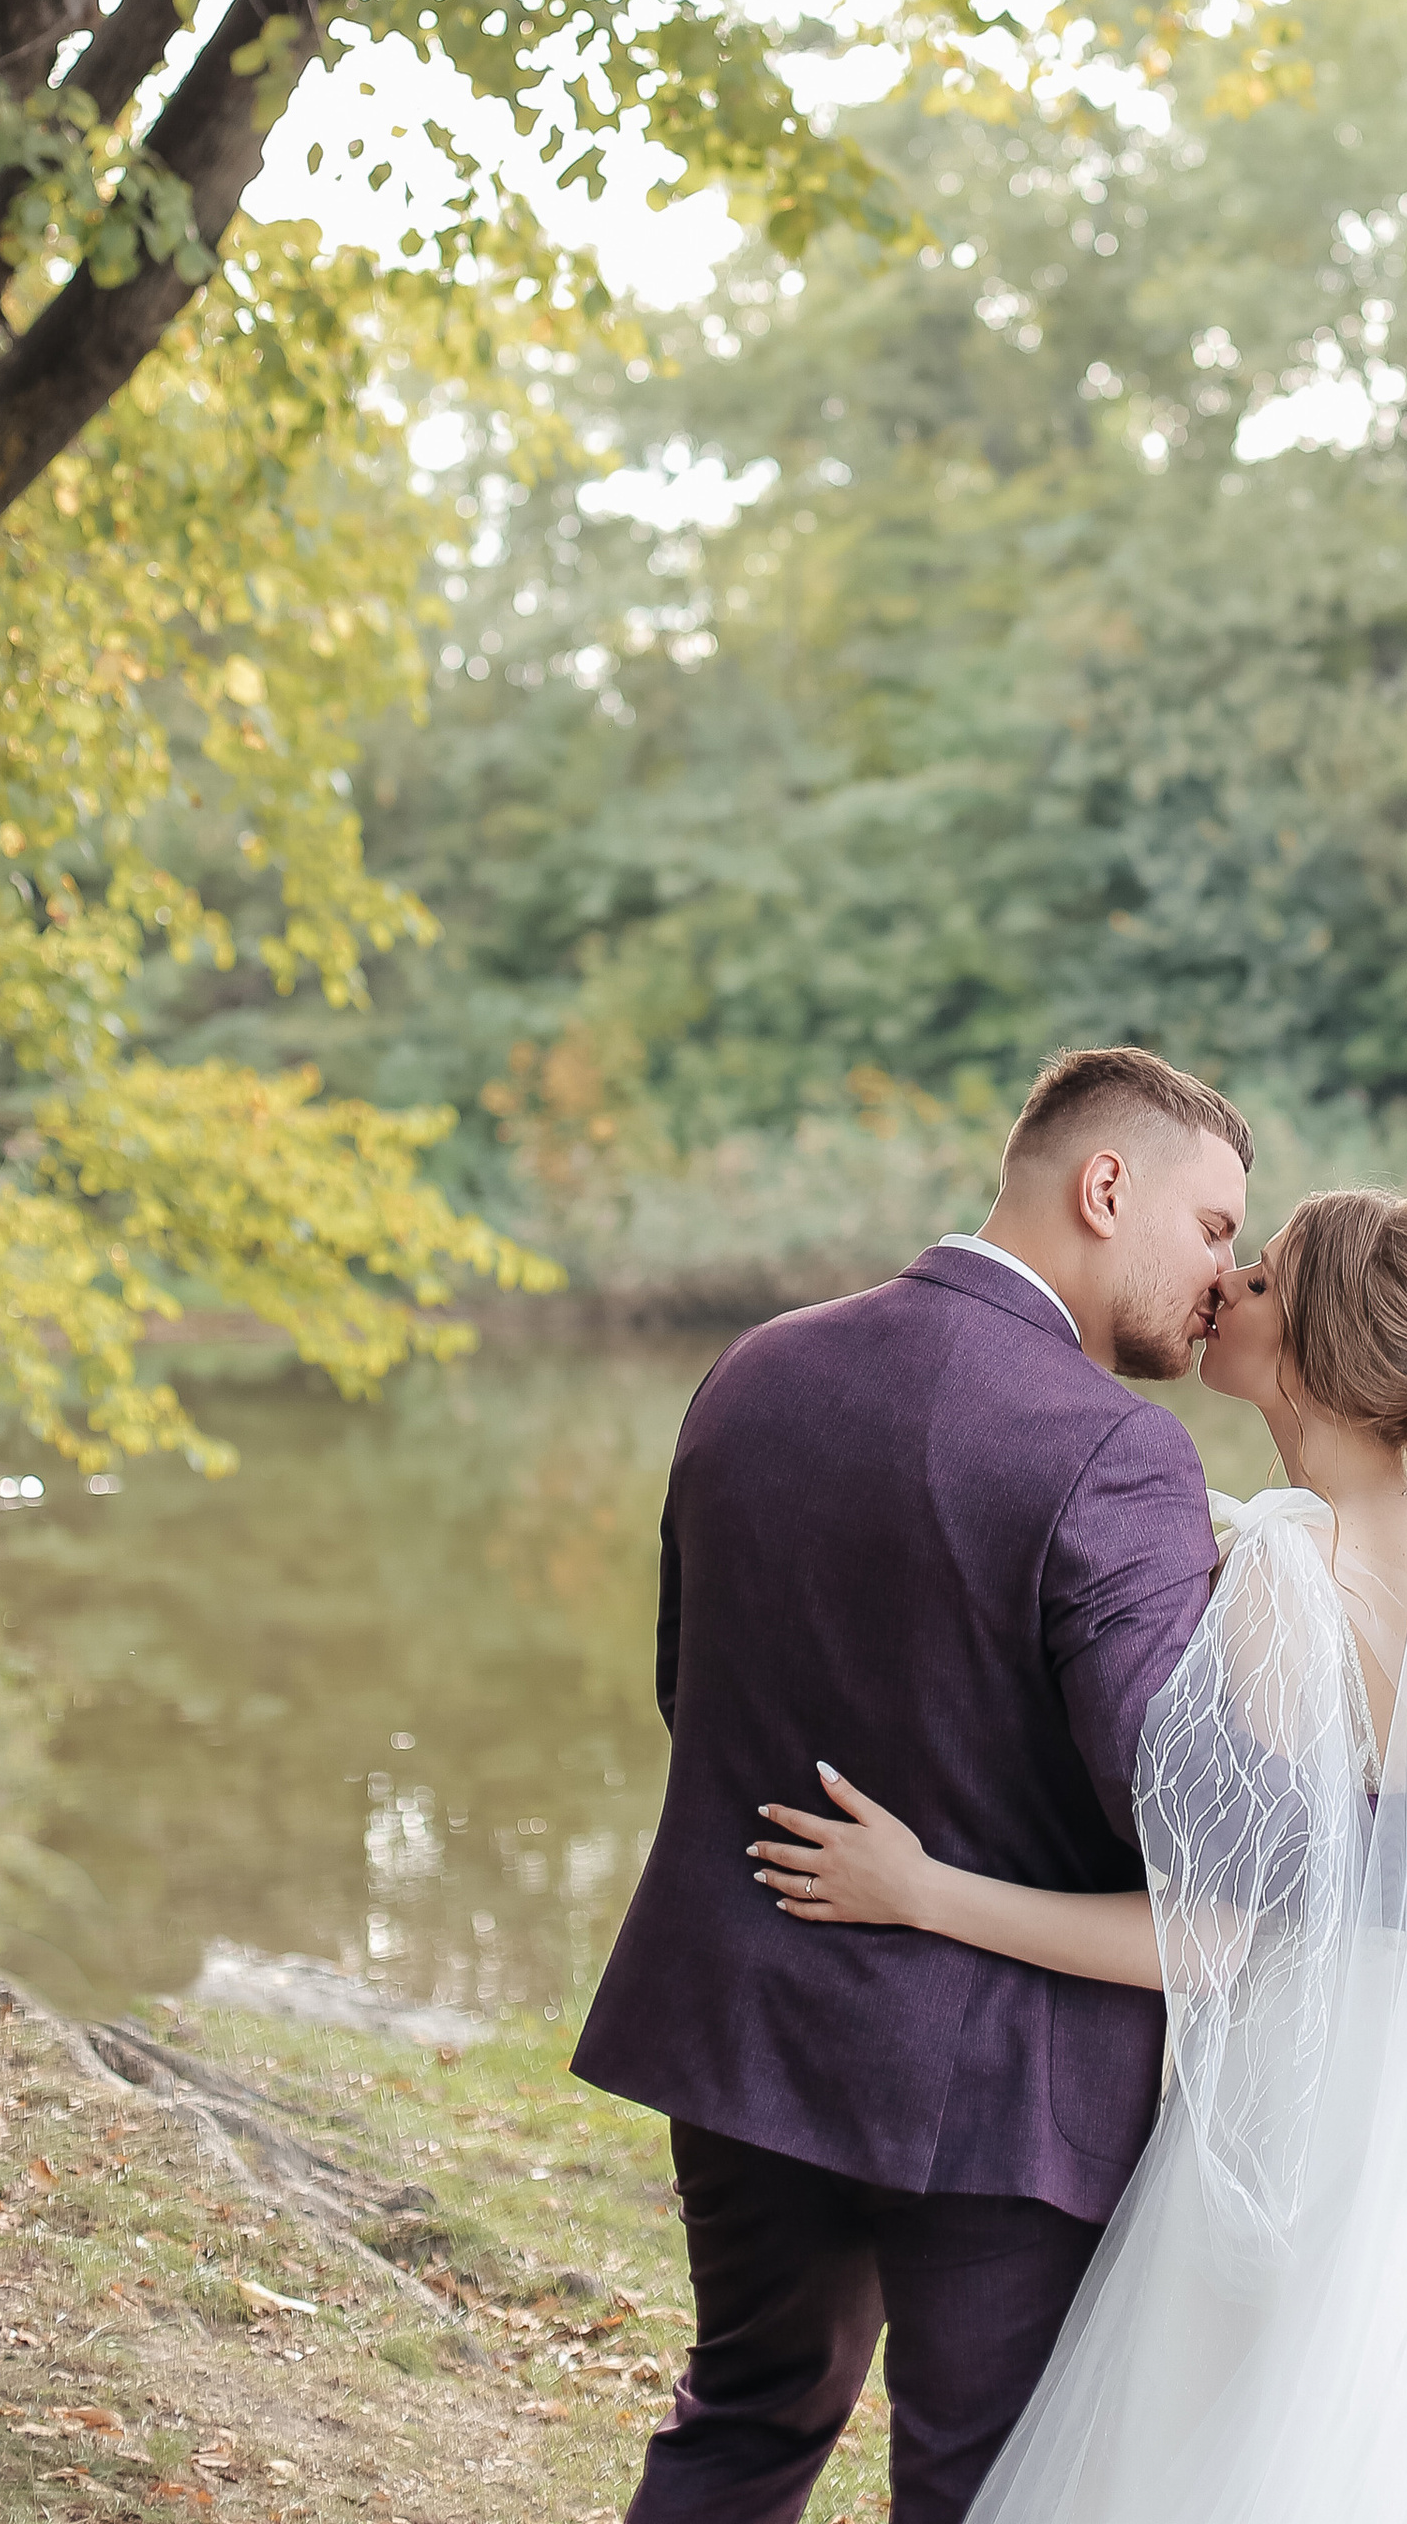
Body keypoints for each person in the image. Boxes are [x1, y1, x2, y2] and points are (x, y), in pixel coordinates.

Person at [754, 1189, 1407, 2524]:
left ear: (1317, 1355)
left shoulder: (1292, 1583)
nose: (1226, 1282)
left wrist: (923, 1891)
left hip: (1325, 2110)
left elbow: (1216, 1932)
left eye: (1269, 1278)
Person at [571, 1043, 1253, 2524]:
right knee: (985, 2488)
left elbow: (692, 1690)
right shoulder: (1116, 1451)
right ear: (1107, 1183)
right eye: (1214, 1230)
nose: (1224, 1276)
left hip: (751, 2023)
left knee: (745, 2421)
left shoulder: (757, 1367)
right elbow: (1185, 1815)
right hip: (1004, 2090)